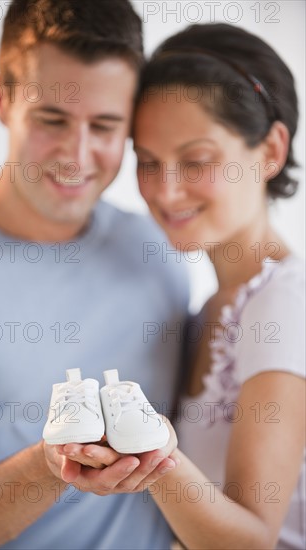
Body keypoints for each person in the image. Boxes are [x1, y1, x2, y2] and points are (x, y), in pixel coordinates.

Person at [0, 1, 189, 548]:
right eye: (52, 119)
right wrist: (51, 466)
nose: (77, 155)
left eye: (104, 125)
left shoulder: (157, 250)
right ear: (0, 98)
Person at [60, 23, 305, 549]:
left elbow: (253, 540)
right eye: (148, 162)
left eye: (196, 160)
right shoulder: (207, 308)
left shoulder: (285, 301)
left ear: (270, 150)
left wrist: (154, 455)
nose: (166, 191)